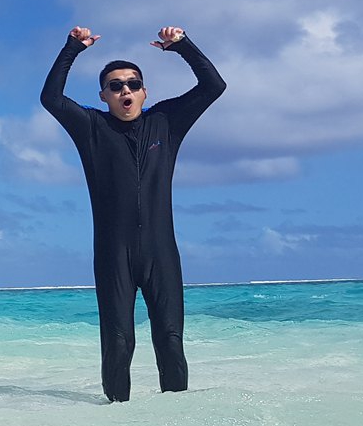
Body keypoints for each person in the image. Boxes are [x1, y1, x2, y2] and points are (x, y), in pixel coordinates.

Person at [40, 25, 226, 402]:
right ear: (104, 96)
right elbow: (52, 98)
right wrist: (72, 48)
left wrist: (182, 46)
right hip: (114, 255)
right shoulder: (92, 127)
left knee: (171, 341)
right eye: (116, 85)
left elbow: (213, 86)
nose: (125, 90)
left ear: (144, 92)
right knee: (119, 343)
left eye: (133, 83)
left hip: (161, 254)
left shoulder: (166, 122)